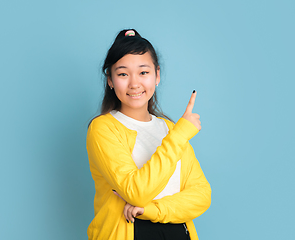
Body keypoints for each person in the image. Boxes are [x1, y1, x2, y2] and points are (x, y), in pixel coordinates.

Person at [86, 29, 211, 240]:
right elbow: (137, 192)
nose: (134, 83)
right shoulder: (103, 128)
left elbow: (201, 195)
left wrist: (151, 210)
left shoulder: (170, 129)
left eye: (143, 72)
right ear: (110, 79)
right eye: (123, 74)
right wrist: (181, 134)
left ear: (157, 75)